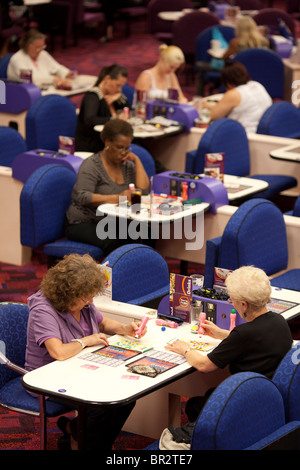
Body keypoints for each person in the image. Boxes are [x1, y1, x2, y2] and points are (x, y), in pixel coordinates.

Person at [25, 253, 148, 450]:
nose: (90, 301)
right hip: (49, 379)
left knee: (125, 399)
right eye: (86, 297)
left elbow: (103, 322)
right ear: (67, 294)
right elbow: (58, 352)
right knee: (100, 406)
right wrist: (86, 341)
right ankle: (79, 441)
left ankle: (78, 434)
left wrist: (125, 328)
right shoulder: (43, 309)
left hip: (83, 369)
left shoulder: (83, 302)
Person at [166, 265, 293, 424]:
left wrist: (184, 349)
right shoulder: (278, 321)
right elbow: (255, 340)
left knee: (194, 405)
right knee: (210, 393)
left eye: (232, 300)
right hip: (270, 397)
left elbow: (203, 365)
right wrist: (223, 334)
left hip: (248, 403)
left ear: (244, 305)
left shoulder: (244, 333)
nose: (232, 304)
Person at [66, 119, 149, 254]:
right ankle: (115, 274)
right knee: (117, 241)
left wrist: (137, 161)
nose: (123, 152)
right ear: (108, 143)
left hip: (111, 221)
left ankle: (143, 273)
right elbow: (82, 197)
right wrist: (118, 198)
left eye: (127, 148)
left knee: (147, 233)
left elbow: (143, 191)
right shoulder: (92, 165)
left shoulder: (126, 165)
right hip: (84, 222)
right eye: (119, 147)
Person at [201, 60, 272, 133]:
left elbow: (214, 115)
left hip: (246, 136)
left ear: (227, 81)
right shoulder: (256, 85)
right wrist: (209, 106)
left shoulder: (234, 93)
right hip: (264, 132)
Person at [75, 64, 130, 153]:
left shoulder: (114, 95)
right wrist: (115, 119)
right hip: (92, 144)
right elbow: (90, 120)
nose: (119, 89)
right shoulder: (93, 96)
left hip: (109, 141)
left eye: (121, 86)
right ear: (107, 79)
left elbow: (129, 110)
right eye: (117, 85)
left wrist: (120, 97)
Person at [7, 28, 74, 88]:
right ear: (27, 45)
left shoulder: (43, 54)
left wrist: (67, 73)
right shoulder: (17, 59)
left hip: (44, 88)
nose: (40, 50)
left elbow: (57, 67)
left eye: (42, 46)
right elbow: (29, 79)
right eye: (37, 47)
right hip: (23, 93)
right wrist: (53, 79)